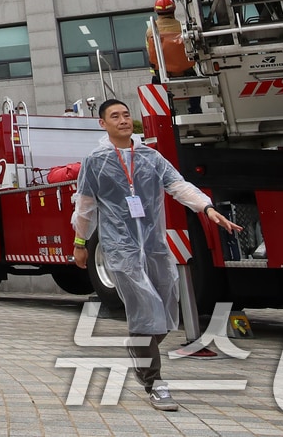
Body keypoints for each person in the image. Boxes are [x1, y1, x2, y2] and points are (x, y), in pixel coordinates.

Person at [71, 98, 242, 412]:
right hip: (120, 249)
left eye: (126, 114)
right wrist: (80, 243)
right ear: (103, 124)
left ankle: (139, 347)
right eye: (115, 116)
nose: (123, 120)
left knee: (163, 317)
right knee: (146, 309)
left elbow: (178, 185)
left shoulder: (151, 157)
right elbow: (85, 207)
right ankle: (156, 383)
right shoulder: (94, 162)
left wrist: (207, 207)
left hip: (154, 247)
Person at [146, 0, 201, 114]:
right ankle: (195, 109)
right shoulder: (183, 28)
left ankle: (164, 112)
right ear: (174, 9)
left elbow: (150, 54)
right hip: (186, 71)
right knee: (196, 81)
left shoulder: (151, 31)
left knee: (155, 88)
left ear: (156, 10)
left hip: (162, 75)